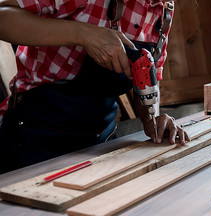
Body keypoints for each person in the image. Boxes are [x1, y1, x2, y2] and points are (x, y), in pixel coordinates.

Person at [0, 0, 190, 173]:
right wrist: (83, 34)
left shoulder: (163, 10)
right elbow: (3, 16)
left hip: (101, 141)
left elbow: (146, 79)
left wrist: (153, 119)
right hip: (37, 136)